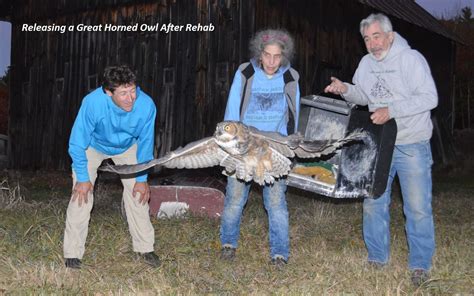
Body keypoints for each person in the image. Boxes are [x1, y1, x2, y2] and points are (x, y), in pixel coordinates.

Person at [324, 13, 437, 286]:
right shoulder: (365, 63)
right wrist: (345, 89)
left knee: (418, 208)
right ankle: (377, 257)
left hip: (411, 143)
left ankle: (420, 264)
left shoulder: (411, 59)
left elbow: (430, 97)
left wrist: (392, 110)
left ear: (390, 35)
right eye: (366, 38)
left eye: (376, 36)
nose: (372, 44)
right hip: (377, 144)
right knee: (373, 202)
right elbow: (363, 95)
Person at [63, 65, 160, 269]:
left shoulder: (146, 105)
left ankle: (145, 248)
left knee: (137, 193)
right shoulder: (93, 103)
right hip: (93, 145)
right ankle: (73, 253)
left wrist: (142, 179)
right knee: (81, 193)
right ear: (108, 92)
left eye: (132, 90)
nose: (130, 98)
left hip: (127, 147)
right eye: (123, 93)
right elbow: (77, 142)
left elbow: (146, 143)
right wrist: (82, 178)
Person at [220, 29, 300, 266]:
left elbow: (293, 115)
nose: (272, 62)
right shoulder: (245, 72)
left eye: (277, 56)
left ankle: (279, 254)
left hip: (273, 148)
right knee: (235, 199)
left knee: (276, 203)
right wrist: (231, 147)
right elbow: (232, 110)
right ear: (259, 53)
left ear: (284, 56)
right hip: (244, 146)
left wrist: (288, 149)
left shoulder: (290, 76)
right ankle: (228, 244)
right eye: (267, 55)